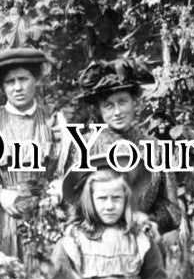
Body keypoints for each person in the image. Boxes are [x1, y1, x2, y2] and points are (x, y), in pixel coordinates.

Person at [0, 47, 67, 261]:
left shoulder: (53, 119)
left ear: (36, 80)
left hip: (47, 215)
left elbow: (70, 166)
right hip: (4, 216)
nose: (17, 87)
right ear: (2, 87)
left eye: (23, 79)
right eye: (9, 82)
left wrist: (57, 189)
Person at [72, 58, 181, 234]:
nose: (117, 112)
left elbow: (173, 210)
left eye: (122, 102)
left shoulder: (156, 147)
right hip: (99, 244)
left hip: (146, 241)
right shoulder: (86, 146)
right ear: (99, 110)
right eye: (108, 106)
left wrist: (151, 223)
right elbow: (76, 206)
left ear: (134, 102)